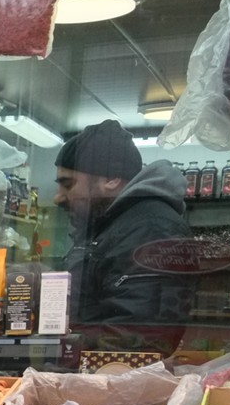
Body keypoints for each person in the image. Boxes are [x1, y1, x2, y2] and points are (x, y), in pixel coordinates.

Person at [52, 120, 193, 326]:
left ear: (111, 179)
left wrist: (68, 350)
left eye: (68, 184)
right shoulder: (110, 228)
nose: (58, 198)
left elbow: (136, 336)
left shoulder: (152, 230)